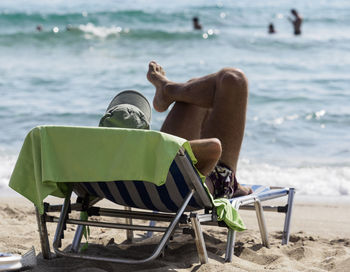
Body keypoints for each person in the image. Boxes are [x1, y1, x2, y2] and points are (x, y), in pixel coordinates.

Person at [147, 61, 252, 198]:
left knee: (200, 87)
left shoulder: (113, 151)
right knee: (234, 80)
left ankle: (169, 89)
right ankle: (169, 89)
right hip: (196, 186)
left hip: (156, 173)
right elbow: (214, 147)